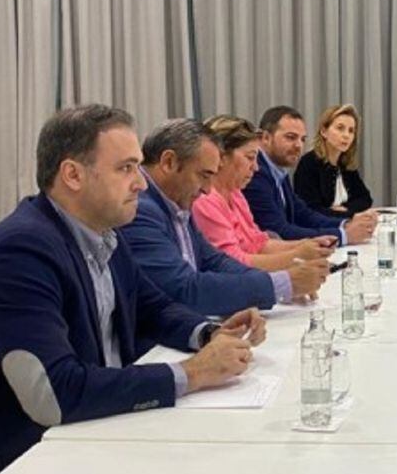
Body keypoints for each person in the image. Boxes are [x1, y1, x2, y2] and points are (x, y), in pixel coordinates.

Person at [0, 105, 268, 474]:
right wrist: (194, 373)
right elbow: (53, 396)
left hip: (95, 430)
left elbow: (153, 307)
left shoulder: (102, 233)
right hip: (21, 463)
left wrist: (209, 332)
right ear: (73, 175)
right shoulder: (19, 252)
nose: (141, 185)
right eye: (127, 168)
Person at [120, 119, 329, 316]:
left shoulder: (176, 199)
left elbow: (214, 260)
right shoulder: (141, 210)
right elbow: (186, 290)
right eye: (204, 175)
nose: (207, 189)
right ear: (169, 162)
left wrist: (276, 284)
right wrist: (281, 284)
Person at [192, 115, 337, 274]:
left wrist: (304, 245)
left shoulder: (235, 193)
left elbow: (258, 243)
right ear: (221, 156)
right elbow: (232, 263)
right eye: (250, 158)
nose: (256, 167)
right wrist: (296, 256)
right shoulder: (204, 201)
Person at [244, 106, 377, 243]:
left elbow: (302, 213)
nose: (298, 145)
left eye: (302, 139)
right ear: (265, 138)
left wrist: (345, 224)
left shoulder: (278, 171)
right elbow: (279, 232)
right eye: (291, 137)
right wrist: (343, 235)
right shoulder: (255, 174)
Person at [292, 104, 374, 218]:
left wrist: (347, 209)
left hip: (344, 225)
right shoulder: (309, 163)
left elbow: (365, 198)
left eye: (351, 131)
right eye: (340, 128)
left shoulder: (345, 164)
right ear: (324, 131)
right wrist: (347, 214)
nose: (346, 135)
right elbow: (310, 210)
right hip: (319, 231)